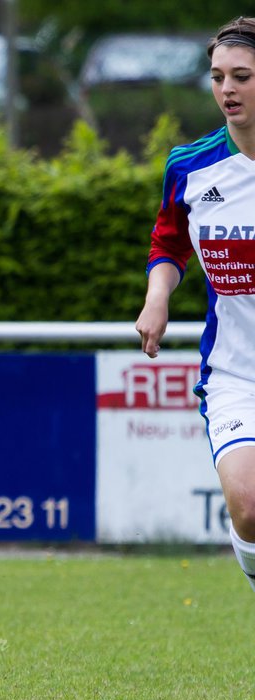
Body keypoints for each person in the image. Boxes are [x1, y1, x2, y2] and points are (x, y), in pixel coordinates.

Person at [138, 15, 255, 601]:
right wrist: (158, 297)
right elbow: (170, 239)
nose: (227, 90)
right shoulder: (192, 166)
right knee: (249, 507)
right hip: (236, 370)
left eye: (242, 76)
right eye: (218, 77)